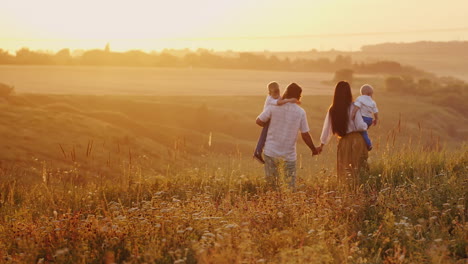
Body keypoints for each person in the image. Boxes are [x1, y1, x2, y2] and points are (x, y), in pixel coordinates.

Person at [256, 83, 319, 190]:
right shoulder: (300, 112)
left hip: (271, 152)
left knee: (271, 187)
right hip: (288, 156)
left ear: (286, 93)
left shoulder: (273, 107)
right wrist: (313, 149)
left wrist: (269, 124)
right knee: (289, 188)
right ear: (298, 97)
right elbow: (305, 134)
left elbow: (259, 121)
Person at [317, 81, 369, 189]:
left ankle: (347, 192)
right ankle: (360, 192)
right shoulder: (354, 107)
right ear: (349, 92)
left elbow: (327, 129)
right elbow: (360, 125)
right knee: (359, 169)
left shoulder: (333, 110)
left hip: (344, 142)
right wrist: (366, 125)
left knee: (345, 171)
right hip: (357, 140)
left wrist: (321, 145)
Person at [253, 81, 300, 164]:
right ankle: (257, 152)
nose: (276, 94)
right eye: (274, 92)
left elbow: (281, 100)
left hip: (272, 119)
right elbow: (279, 103)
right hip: (267, 119)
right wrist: (290, 100)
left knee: (266, 136)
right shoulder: (270, 99)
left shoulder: (277, 97)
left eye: (278, 91)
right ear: (269, 93)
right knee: (263, 136)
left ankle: (262, 152)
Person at [351, 84, 379, 150]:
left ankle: (369, 144)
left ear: (362, 93)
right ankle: (364, 144)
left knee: (363, 132)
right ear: (371, 93)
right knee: (363, 132)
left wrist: (353, 114)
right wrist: (376, 119)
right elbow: (375, 112)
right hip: (370, 119)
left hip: (363, 119)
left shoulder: (360, 98)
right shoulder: (372, 102)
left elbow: (356, 107)